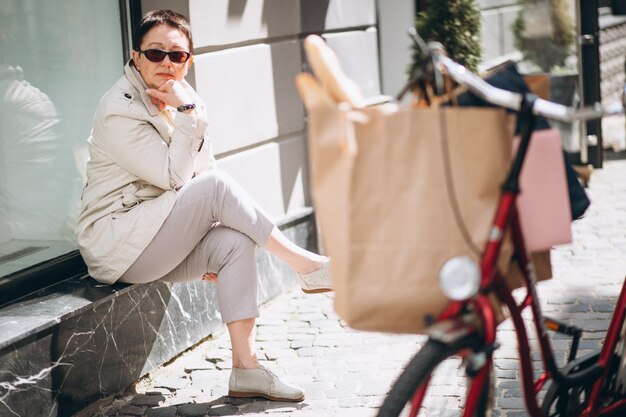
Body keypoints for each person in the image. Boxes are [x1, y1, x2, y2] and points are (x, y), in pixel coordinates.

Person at [75, 9, 332, 403]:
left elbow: (202, 167)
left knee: (233, 242)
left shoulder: (181, 95)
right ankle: (304, 265)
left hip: (155, 235)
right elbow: (177, 179)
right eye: (156, 53)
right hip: (117, 245)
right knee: (216, 187)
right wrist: (190, 116)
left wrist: (187, 110)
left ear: (188, 61)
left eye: (177, 56)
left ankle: (246, 370)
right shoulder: (120, 108)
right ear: (135, 56)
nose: (166, 63)